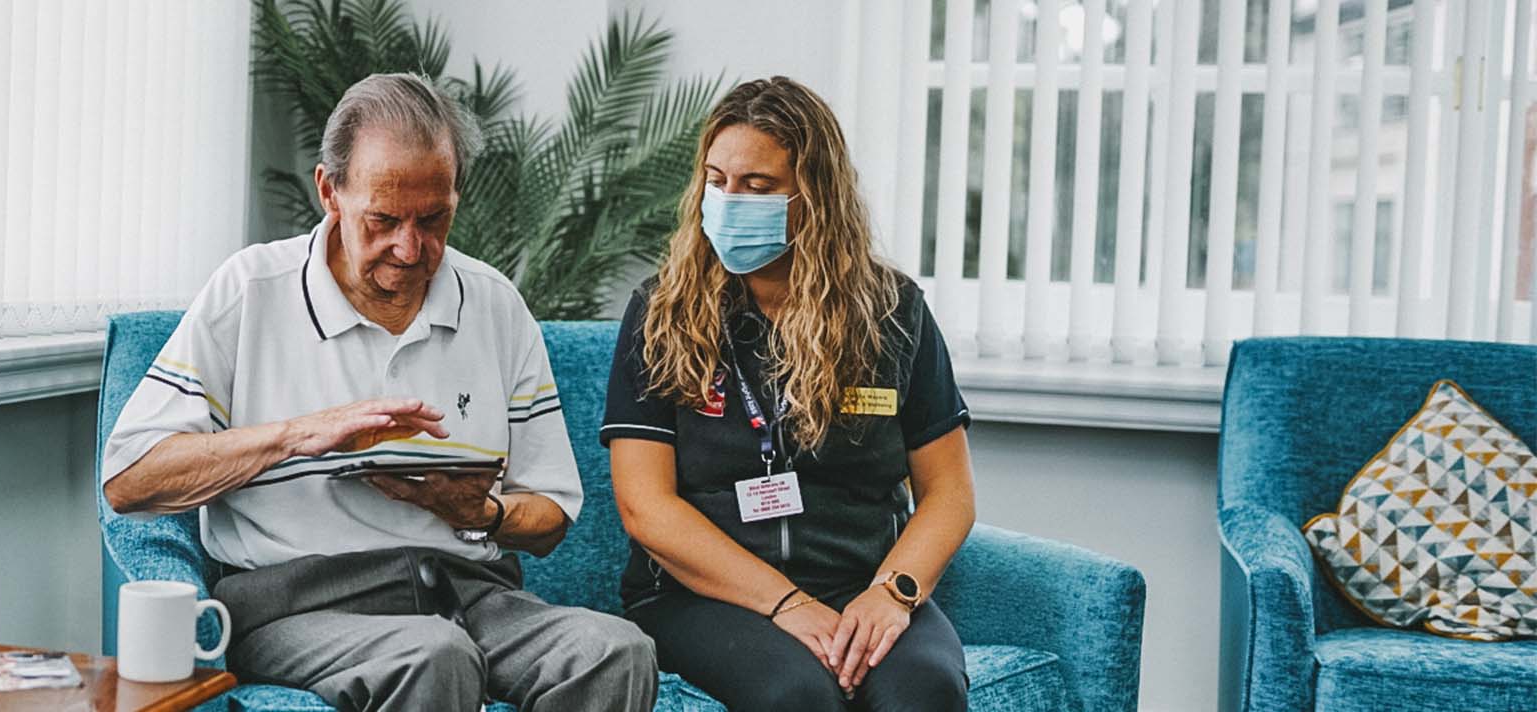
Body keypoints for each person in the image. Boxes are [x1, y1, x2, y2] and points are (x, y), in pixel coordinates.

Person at [102, 73, 656, 712]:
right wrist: (298, 435)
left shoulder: (497, 305)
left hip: (470, 594)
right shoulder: (251, 291)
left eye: (434, 218)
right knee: (432, 656)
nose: (411, 247)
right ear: (329, 191)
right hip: (299, 608)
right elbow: (129, 480)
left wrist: (482, 514)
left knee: (616, 651)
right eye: (385, 219)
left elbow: (551, 513)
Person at [602, 76, 975, 712]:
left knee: (925, 691)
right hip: (704, 596)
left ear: (815, 197)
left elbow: (948, 493)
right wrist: (786, 603)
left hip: (860, 582)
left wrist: (894, 592)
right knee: (798, 694)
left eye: (757, 185)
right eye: (717, 181)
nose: (728, 200)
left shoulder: (892, 312)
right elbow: (645, 507)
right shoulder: (661, 310)